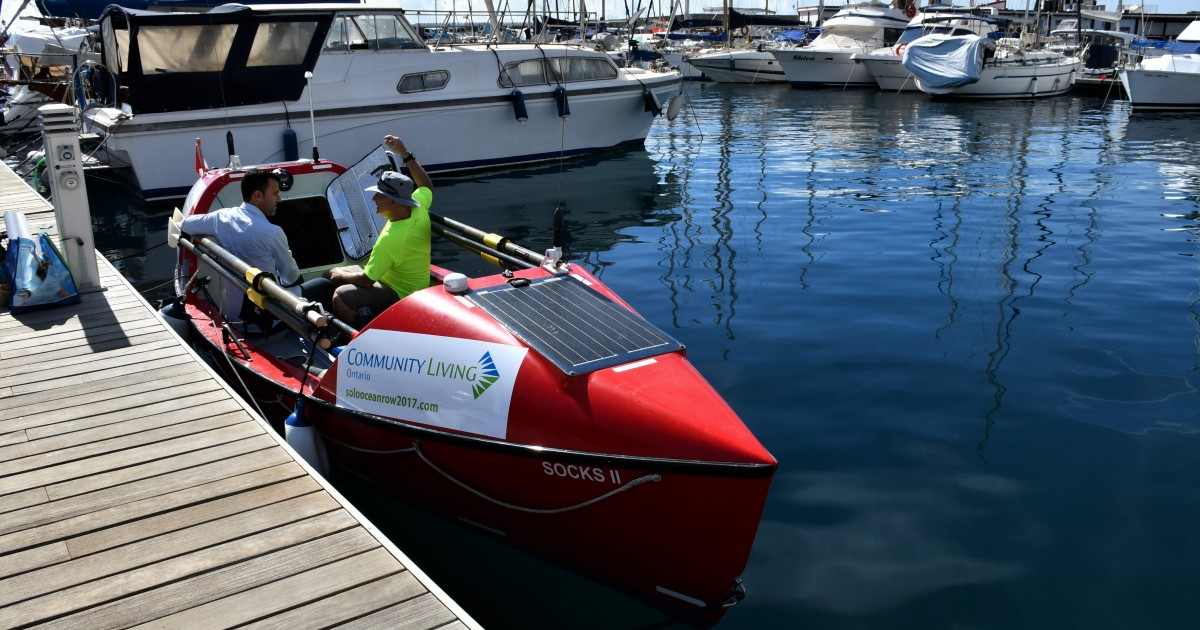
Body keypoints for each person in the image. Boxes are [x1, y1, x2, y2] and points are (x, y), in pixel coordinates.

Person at [324, 134, 432, 327]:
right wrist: (405, 154)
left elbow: (366, 280)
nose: (373, 199)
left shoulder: (392, 239)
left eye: (379, 195)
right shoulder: (417, 206)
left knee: (340, 295)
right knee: (330, 274)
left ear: (394, 201)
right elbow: (426, 185)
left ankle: (363, 331)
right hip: (408, 283)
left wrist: (339, 275)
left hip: (400, 293)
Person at [179, 169, 310, 320]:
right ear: (258, 195)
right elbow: (290, 276)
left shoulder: (221, 217)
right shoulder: (273, 232)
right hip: (269, 312)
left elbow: (185, 224)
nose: (279, 199)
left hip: (234, 312)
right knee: (324, 284)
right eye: (275, 193)